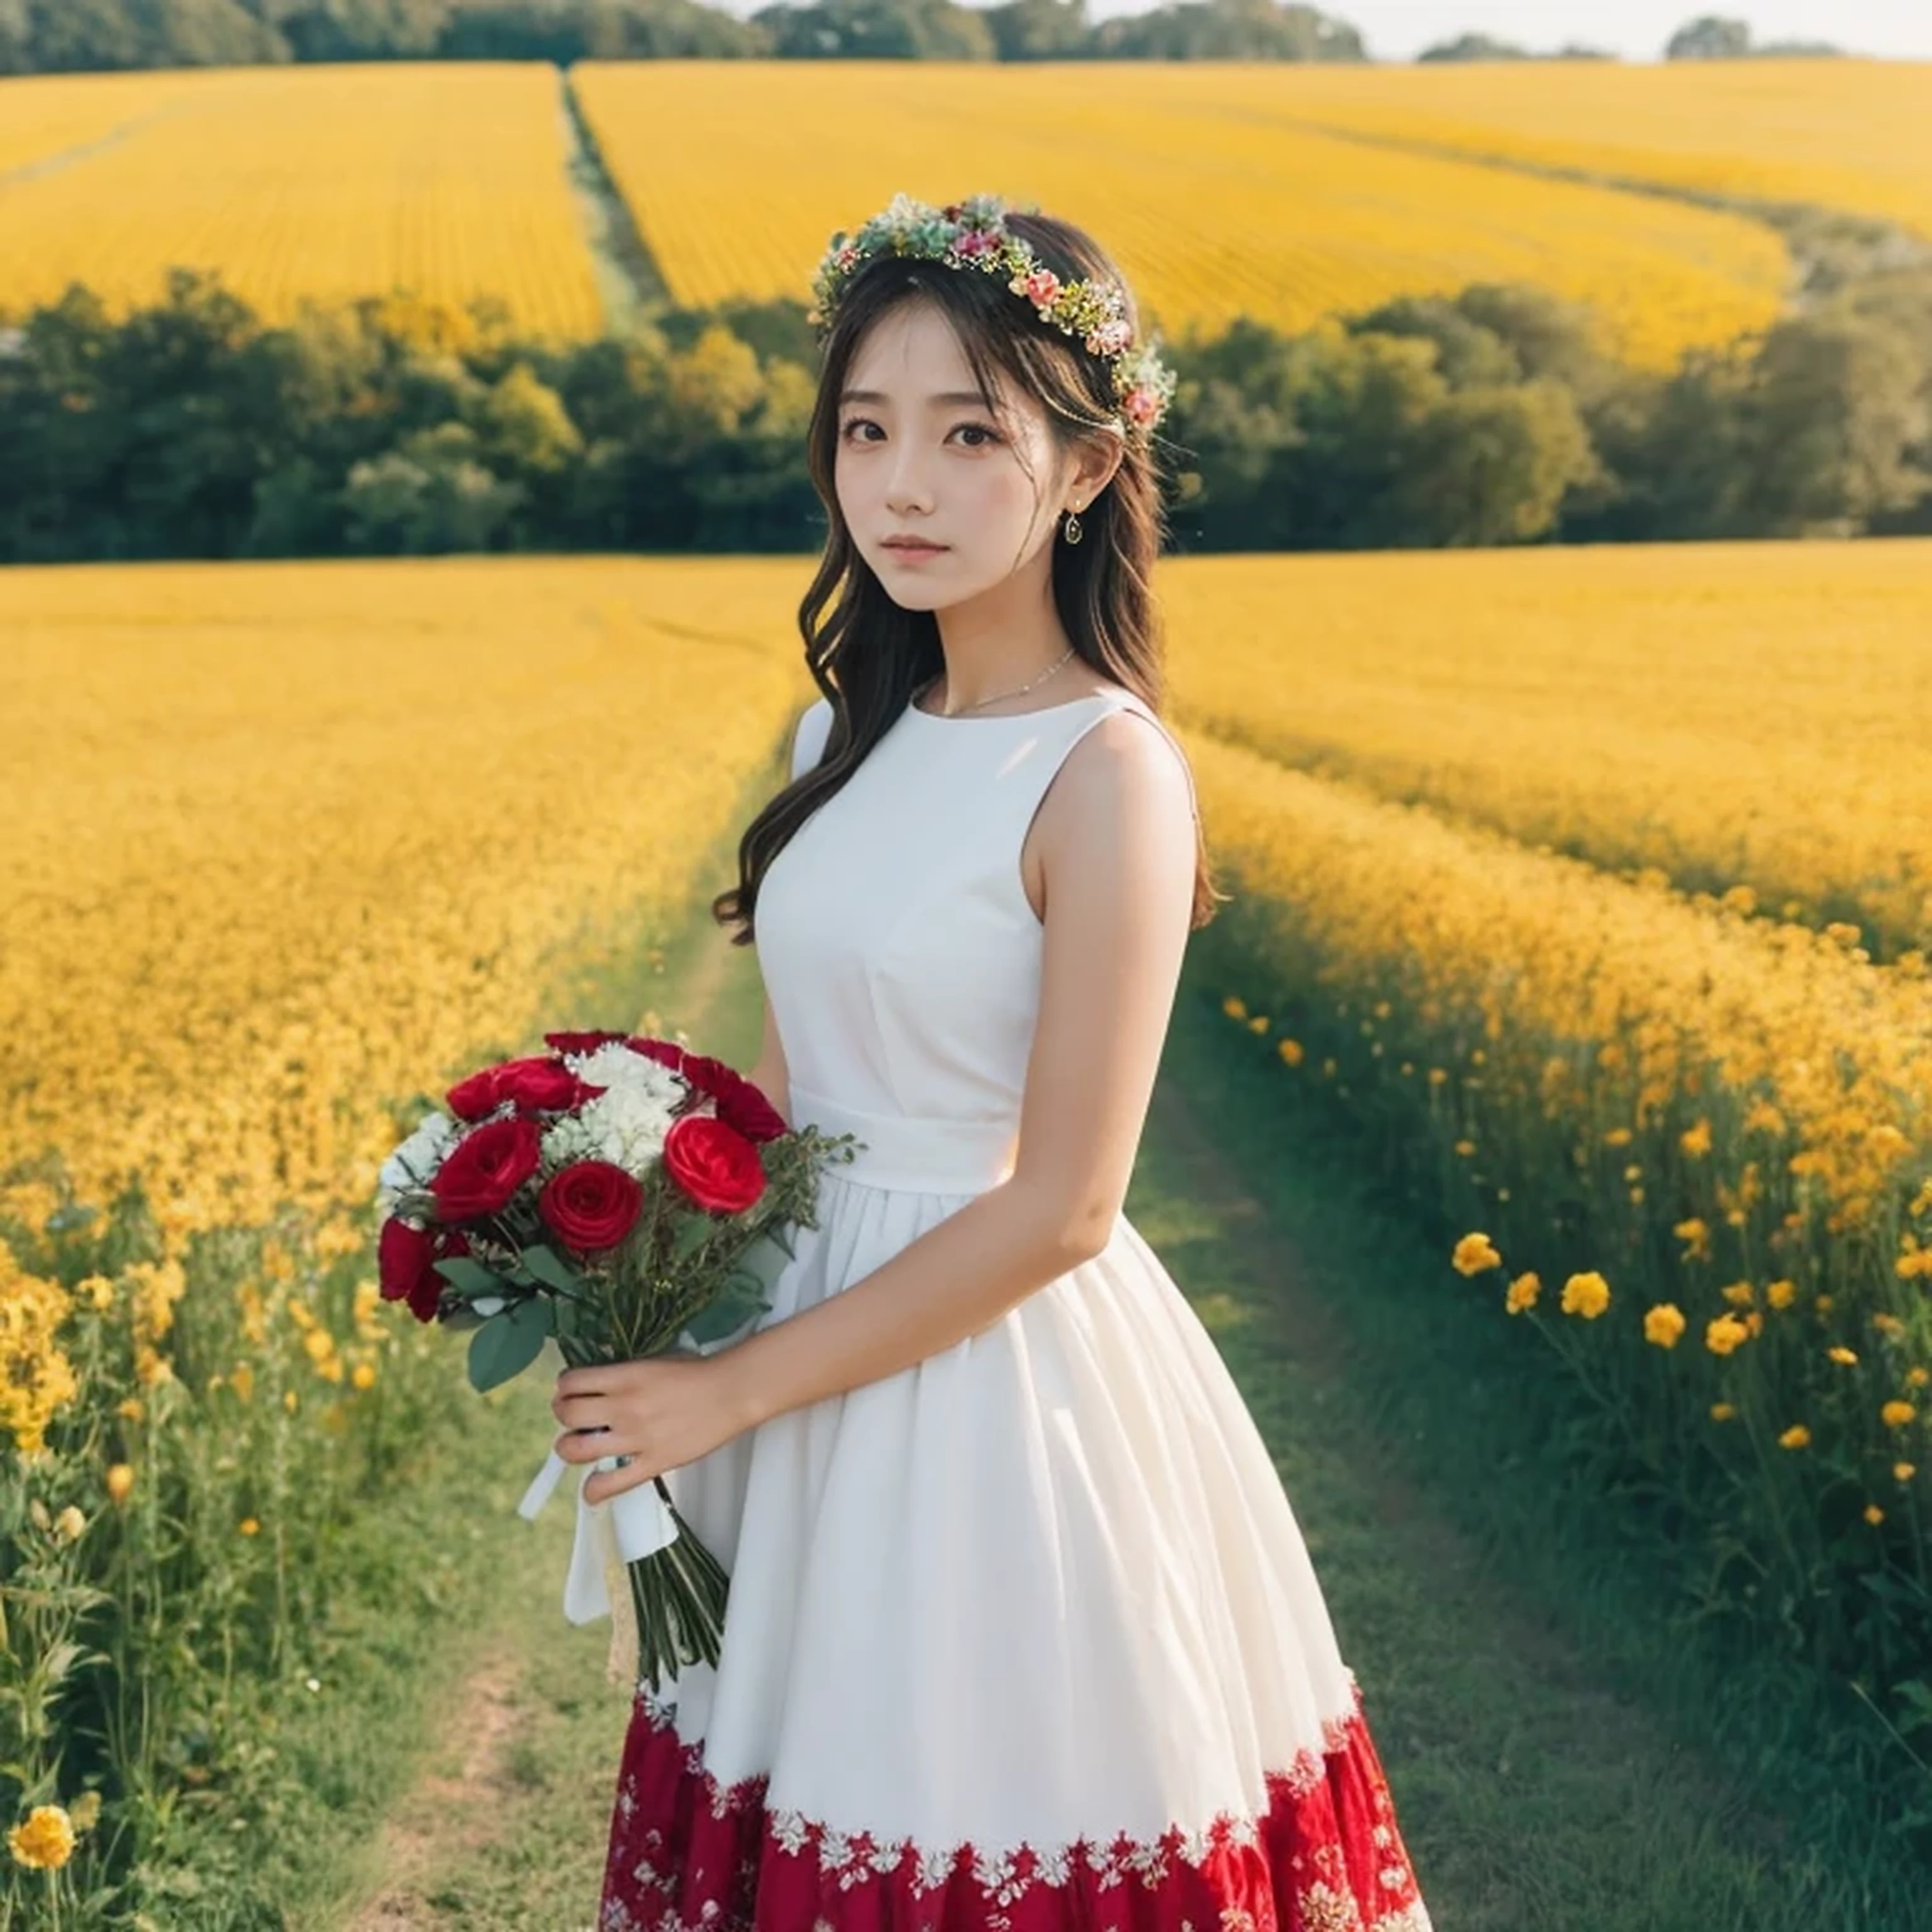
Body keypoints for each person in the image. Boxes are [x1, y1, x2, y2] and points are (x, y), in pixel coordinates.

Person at [550, 191, 1435, 1932]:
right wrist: (632, 1288)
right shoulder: (837, 736)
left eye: (973, 435)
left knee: (969, 1793)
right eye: (867, 431)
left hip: (998, 1387)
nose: (903, 486)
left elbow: (1066, 1204)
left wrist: (733, 1389)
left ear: (1092, 468)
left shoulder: (1107, 773)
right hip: (799, 1346)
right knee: (797, 1772)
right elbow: (795, 1113)